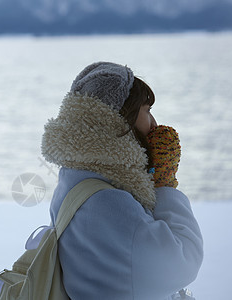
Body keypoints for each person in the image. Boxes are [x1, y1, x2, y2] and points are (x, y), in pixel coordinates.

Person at [41, 62, 203, 300]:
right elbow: (183, 262)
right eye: (147, 111)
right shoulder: (108, 201)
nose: (155, 123)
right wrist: (164, 184)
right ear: (118, 119)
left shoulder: (74, 178)